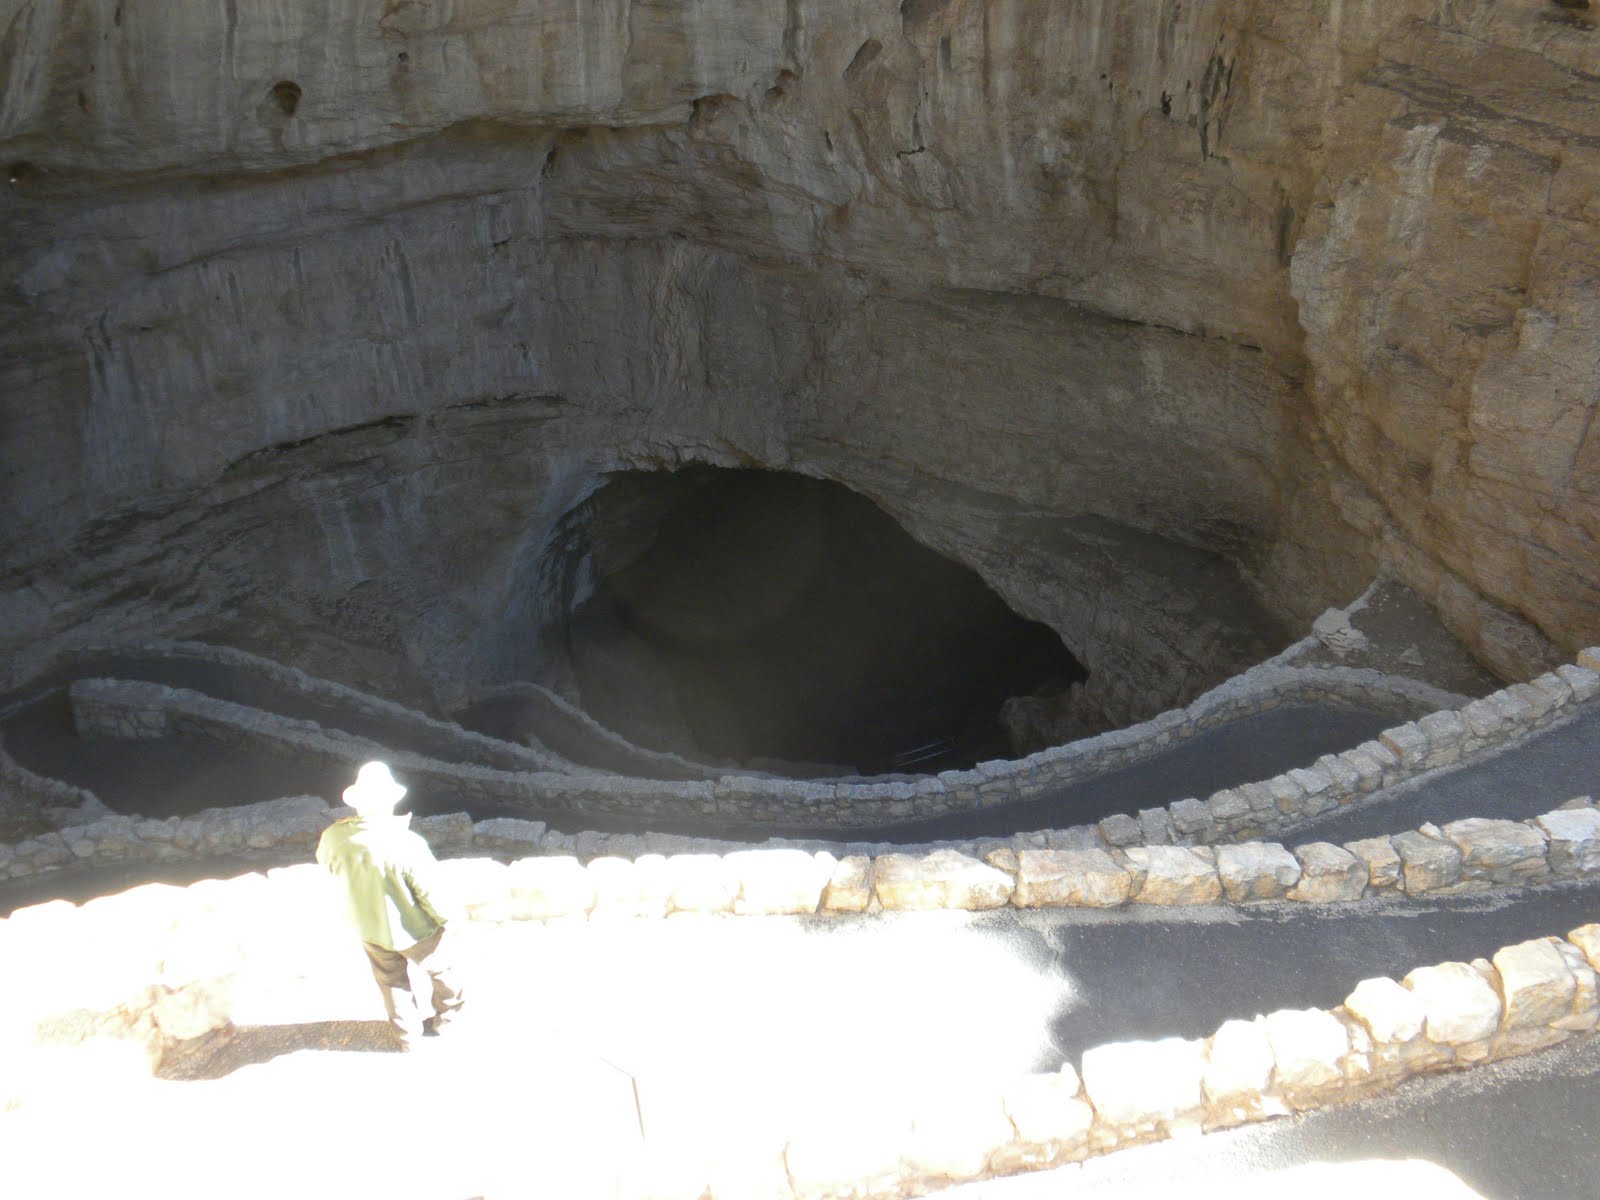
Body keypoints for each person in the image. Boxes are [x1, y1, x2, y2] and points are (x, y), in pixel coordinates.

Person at [316, 760, 463, 1047]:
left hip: (368, 927)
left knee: (392, 983)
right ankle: (447, 1021)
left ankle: (407, 1037)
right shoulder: (405, 842)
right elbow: (430, 892)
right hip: (414, 928)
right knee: (442, 972)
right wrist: (448, 920)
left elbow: (327, 864)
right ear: (390, 801)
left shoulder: (334, 837)